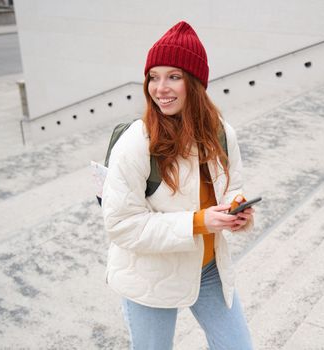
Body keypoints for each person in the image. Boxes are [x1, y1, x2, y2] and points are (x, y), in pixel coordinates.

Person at [101, 21, 255, 350]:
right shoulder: (136, 142)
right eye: (153, 77)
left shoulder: (221, 132)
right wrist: (200, 222)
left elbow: (231, 186)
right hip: (149, 274)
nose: (161, 88)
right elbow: (120, 225)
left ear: (195, 82)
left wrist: (237, 211)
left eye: (174, 76)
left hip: (209, 267)